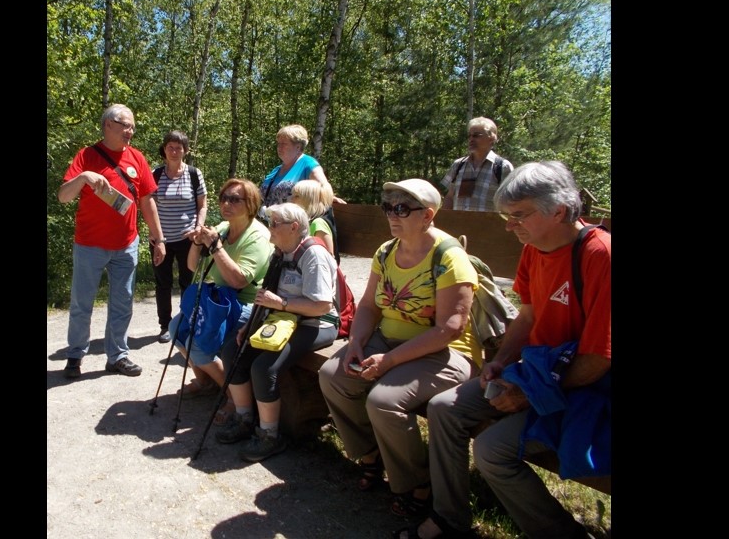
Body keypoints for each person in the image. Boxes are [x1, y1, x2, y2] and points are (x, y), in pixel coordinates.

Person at [398, 161, 611, 539]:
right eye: (506, 217)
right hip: (538, 372)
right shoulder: (534, 247)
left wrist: (526, 393)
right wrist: (498, 362)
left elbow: (596, 362)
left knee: (492, 450)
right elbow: (526, 319)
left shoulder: (600, 257)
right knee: (444, 408)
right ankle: (450, 518)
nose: (511, 226)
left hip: (583, 388)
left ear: (559, 211)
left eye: (518, 216)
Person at [318, 179, 481, 519]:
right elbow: (368, 307)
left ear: (428, 215)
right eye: (389, 207)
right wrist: (357, 342)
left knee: (384, 400)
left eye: (403, 209)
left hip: (443, 352)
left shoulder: (449, 257)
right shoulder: (387, 251)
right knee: (333, 376)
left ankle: (418, 482)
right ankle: (371, 454)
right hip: (386, 339)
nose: (393, 215)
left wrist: (389, 360)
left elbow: (451, 328)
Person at [217, 202, 339, 462]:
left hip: (317, 323)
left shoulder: (313, 255)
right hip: (283, 319)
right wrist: (251, 326)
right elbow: (267, 297)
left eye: (274, 224)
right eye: (269, 222)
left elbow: (322, 305)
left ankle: (269, 436)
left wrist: (281, 304)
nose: (269, 228)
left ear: (294, 227)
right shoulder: (281, 251)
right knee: (233, 350)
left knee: (264, 367)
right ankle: (244, 418)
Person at [58, 104, 166, 379]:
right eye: (125, 125)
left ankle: (117, 356)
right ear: (108, 124)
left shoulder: (137, 159)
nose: (130, 131)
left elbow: (147, 201)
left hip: (126, 244)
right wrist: (83, 177)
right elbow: (63, 196)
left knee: (123, 302)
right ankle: (75, 355)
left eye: (132, 126)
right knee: (82, 302)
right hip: (89, 244)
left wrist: (159, 238)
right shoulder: (86, 156)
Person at [173, 179, 273, 415]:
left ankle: (231, 395)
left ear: (250, 204)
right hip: (216, 299)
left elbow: (239, 281)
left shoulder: (258, 236)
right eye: (223, 198)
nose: (226, 203)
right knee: (176, 328)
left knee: (198, 344)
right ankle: (206, 381)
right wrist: (197, 243)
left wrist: (216, 247)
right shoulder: (222, 228)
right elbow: (191, 267)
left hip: (244, 303)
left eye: (234, 199)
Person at [151, 130, 208, 343]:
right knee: (162, 283)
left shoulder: (194, 173)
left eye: (179, 148)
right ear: (164, 150)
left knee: (188, 282)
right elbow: (149, 206)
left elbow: (202, 205)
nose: (174, 151)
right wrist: (154, 234)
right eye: (170, 147)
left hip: (188, 239)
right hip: (161, 239)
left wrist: (198, 228)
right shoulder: (155, 174)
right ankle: (165, 325)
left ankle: (185, 322)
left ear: (185, 150)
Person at [259, 124, 339, 215]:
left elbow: (324, 189)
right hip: (270, 223)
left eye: (284, 144)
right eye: (278, 143)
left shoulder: (308, 164)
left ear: (298, 147)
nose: (279, 147)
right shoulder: (276, 170)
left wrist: (331, 198)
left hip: (292, 225)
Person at [440, 117, 514, 212]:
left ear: (491, 138)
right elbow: (449, 197)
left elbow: (511, 202)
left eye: (476, 136)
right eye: (469, 136)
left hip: (488, 226)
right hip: (457, 226)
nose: (471, 139)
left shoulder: (502, 167)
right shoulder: (458, 165)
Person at [290, 178, 336, 257]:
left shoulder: (318, 223)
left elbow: (329, 256)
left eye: (297, 196)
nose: (291, 199)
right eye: (292, 195)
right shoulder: (308, 221)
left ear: (309, 199)